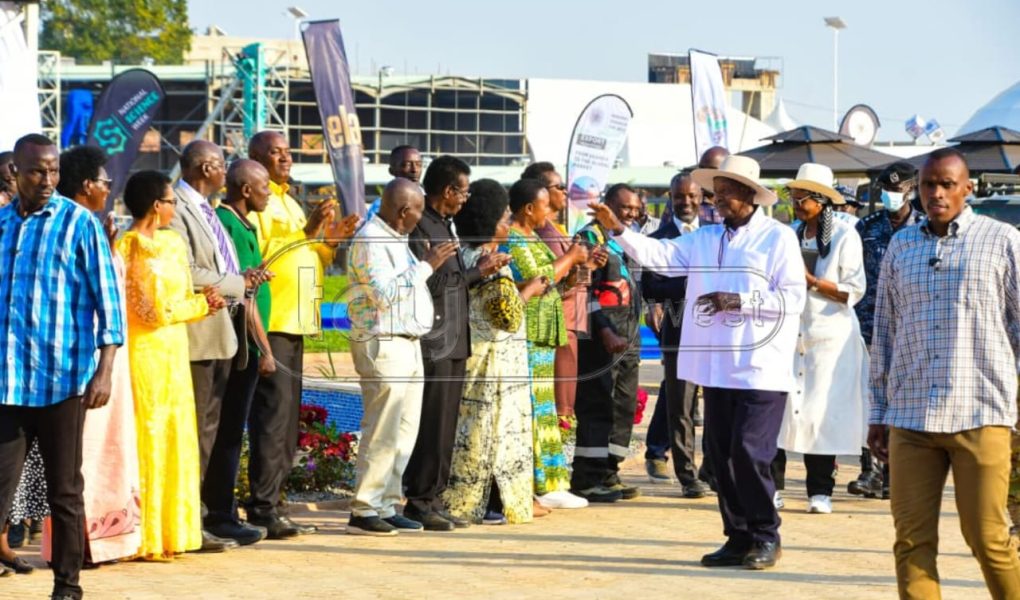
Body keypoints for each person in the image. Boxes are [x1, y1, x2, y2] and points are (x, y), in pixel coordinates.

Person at [589, 155, 805, 570]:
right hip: (715, 366)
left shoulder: (777, 238)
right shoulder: (706, 238)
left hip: (760, 366)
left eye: (726, 193)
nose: (717, 200)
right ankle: (738, 537)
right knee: (720, 456)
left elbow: (793, 298)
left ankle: (765, 535)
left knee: (749, 452)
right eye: (716, 193)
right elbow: (660, 255)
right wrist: (618, 230)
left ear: (750, 194)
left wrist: (738, 301)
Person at [869, 149, 1020, 599]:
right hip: (911, 417)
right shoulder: (901, 246)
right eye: (928, 184)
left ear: (967, 188)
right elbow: (885, 331)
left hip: (980, 413)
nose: (936, 193)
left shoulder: (1002, 240)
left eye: (947, 184)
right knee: (911, 542)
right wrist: (878, 412)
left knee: (988, 538)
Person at [0, 133, 125, 599]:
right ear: (15, 171)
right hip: (7, 383)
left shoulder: (79, 224)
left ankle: (67, 588)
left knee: (65, 492)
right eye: (37, 171)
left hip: (61, 382)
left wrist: (104, 370)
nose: (48, 179)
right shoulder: (2, 224)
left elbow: (108, 303)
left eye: (53, 170)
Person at [246, 130, 358, 538]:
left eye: (287, 152)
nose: (285, 158)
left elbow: (310, 254)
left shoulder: (291, 202)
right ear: (256, 159)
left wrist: (331, 241)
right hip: (273, 322)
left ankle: (275, 503)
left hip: (297, 322)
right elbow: (263, 256)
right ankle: (262, 507)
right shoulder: (258, 203)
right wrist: (309, 230)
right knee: (272, 420)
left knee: (287, 421)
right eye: (275, 153)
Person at [117, 170, 225, 560]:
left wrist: (201, 301)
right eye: (170, 201)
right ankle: (142, 535)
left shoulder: (172, 242)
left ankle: (173, 532)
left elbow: (176, 298)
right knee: (148, 437)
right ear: (155, 205)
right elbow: (149, 311)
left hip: (174, 352)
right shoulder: (129, 246)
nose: (174, 208)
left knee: (176, 436)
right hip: (144, 353)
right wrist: (201, 306)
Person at [404, 155, 510, 531]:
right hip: (435, 338)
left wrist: (477, 273)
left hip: (454, 338)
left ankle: (434, 498)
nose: (465, 200)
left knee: (446, 423)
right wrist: (477, 272)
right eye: (463, 192)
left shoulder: (444, 225)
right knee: (432, 423)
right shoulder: (421, 225)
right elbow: (430, 283)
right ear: (448, 190)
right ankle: (419, 500)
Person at [169, 140, 265, 550]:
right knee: (196, 436)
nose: (227, 171)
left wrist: (240, 278)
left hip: (223, 333)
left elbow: (216, 265)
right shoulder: (175, 206)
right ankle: (189, 523)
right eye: (222, 164)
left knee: (212, 434)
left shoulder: (206, 209)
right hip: (199, 336)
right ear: (205, 168)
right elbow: (186, 271)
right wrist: (236, 283)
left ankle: (204, 518)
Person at [49, 145, 141, 563]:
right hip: (87, 358)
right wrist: (101, 368)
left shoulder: (93, 227)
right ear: (87, 186)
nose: (109, 189)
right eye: (105, 182)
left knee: (105, 447)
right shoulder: (76, 225)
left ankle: (102, 538)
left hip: (108, 357)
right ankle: (81, 543)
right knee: (84, 453)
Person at [346, 178, 447, 536]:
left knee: (404, 432)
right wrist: (427, 265)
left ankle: (386, 504)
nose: (421, 218)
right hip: (383, 341)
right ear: (405, 210)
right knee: (382, 429)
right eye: (419, 210)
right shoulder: (370, 239)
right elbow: (382, 294)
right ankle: (364, 508)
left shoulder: (395, 239)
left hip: (407, 342)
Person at [443, 178, 544, 526]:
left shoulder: (464, 256)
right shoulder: (492, 262)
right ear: (490, 222)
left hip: (471, 353)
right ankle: (486, 503)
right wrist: (530, 290)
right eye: (504, 217)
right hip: (493, 362)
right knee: (492, 431)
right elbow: (507, 315)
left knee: (469, 427)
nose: (508, 223)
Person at [771, 163, 868, 515]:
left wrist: (811, 281)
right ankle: (772, 487)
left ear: (822, 200)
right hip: (790, 334)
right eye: (793, 198)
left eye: (802, 199)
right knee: (779, 411)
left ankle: (820, 491)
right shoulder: (789, 235)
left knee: (822, 412)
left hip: (830, 338)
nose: (796, 205)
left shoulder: (845, 235)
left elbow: (853, 290)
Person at [502, 178, 592, 511]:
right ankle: (542, 482)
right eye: (545, 206)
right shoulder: (513, 238)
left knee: (545, 409)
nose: (549, 212)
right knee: (535, 409)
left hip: (543, 335)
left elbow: (551, 280)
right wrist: (569, 257)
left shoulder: (532, 237)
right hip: (528, 334)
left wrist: (573, 273)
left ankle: (552, 480)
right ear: (528, 208)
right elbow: (537, 277)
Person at [206, 160, 280, 546]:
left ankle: (224, 509)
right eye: (264, 186)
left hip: (246, 344)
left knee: (233, 432)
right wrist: (265, 349)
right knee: (228, 433)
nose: (269, 193)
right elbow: (242, 295)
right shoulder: (229, 225)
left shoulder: (245, 225)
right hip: (240, 347)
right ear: (246, 190)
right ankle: (219, 513)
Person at [850, 161, 924, 500]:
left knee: (903, 399)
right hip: (868, 326)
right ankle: (870, 471)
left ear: (910, 190)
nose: (890, 195)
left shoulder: (924, 228)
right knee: (869, 398)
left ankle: (896, 473)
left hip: (910, 327)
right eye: (886, 190)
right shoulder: (866, 226)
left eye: (896, 190)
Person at [571, 183, 643, 503]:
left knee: (624, 405)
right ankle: (587, 478)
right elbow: (582, 289)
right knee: (597, 404)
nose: (630, 213)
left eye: (635, 208)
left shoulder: (627, 239)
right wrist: (604, 329)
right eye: (624, 207)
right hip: (601, 337)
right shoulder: (588, 238)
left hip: (629, 334)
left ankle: (609, 472)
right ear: (607, 205)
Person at [642, 173, 710, 498]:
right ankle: (687, 476)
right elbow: (652, 285)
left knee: (717, 406)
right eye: (679, 196)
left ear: (701, 197)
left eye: (692, 196)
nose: (686, 202)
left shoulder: (715, 235)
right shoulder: (659, 240)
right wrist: (695, 284)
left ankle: (712, 470)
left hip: (715, 333)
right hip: (678, 329)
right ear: (670, 198)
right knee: (680, 406)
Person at [524, 162, 592, 423]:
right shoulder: (542, 233)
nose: (565, 191)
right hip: (557, 323)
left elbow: (574, 277)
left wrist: (586, 265)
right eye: (559, 186)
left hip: (570, 321)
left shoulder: (557, 229)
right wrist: (574, 261)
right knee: (559, 407)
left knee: (565, 404)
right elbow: (548, 281)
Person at [366, 145, 424, 218]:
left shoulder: (429, 200)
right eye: (407, 165)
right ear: (392, 171)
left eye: (419, 164)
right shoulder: (381, 207)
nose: (414, 170)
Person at [697, 146, 729, 224]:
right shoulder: (688, 202)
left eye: (712, 171)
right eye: (702, 169)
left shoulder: (737, 205)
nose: (705, 175)